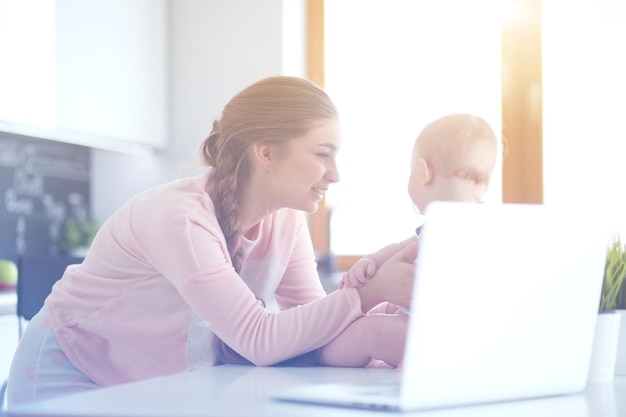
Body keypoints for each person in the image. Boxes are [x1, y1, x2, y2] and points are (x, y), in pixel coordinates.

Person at [7, 76, 417, 406]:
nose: (335, 175)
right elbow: (260, 339)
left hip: (147, 379)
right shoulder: (182, 218)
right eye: (323, 154)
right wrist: (364, 297)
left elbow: (314, 324)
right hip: (72, 371)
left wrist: (376, 303)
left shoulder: (286, 218)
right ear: (266, 153)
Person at [340, 113, 499, 289]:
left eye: (411, 168)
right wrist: (371, 260)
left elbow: (401, 248)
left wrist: (370, 261)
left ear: (424, 173)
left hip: (432, 313)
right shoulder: (492, 227)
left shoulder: (443, 227)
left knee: (368, 318)